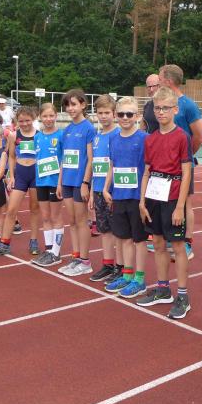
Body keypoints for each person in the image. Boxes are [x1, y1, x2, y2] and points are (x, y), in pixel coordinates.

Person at [136, 87, 192, 319]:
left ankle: (183, 296)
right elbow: (147, 172)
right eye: (157, 108)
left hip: (173, 195)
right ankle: (163, 289)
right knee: (158, 243)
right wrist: (142, 201)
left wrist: (179, 207)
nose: (161, 112)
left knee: (177, 246)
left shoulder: (182, 137)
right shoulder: (150, 139)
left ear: (175, 110)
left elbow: (186, 172)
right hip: (153, 195)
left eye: (165, 108)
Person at [103, 97, 149, 297]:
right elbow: (112, 165)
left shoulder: (144, 138)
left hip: (137, 197)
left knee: (139, 239)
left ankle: (140, 279)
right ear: (116, 115)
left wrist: (144, 198)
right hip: (119, 195)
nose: (125, 117)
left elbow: (148, 168)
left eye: (129, 114)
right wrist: (106, 188)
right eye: (121, 114)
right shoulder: (113, 139)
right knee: (124, 238)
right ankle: (127, 275)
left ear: (137, 116)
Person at [158, 64, 202, 260]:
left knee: (185, 203)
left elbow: (198, 135)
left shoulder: (188, 105)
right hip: (163, 165)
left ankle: (187, 242)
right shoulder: (161, 104)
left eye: (160, 79)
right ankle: (169, 239)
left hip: (183, 165)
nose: (158, 82)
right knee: (165, 201)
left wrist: (186, 155)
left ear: (168, 81)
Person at [0, 107, 42, 257]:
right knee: (11, 209)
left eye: (27, 120)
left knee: (34, 208)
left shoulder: (39, 135)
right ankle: (4, 243)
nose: (24, 124)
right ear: (16, 121)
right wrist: (12, 176)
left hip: (35, 174)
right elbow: (11, 156)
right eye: (21, 121)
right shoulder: (13, 135)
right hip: (20, 175)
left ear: (33, 119)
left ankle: (33, 241)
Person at [56, 89, 95, 277]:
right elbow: (64, 159)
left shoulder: (89, 128)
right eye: (67, 105)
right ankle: (76, 256)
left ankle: (85, 261)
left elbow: (91, 158)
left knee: (81, 221)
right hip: (67, 182)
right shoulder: (67, 130)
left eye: (74, 104)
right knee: (71, 221)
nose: (70, 108)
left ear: (83, 105)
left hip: (80, 182)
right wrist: (59, 183)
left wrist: (86, 182)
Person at [88, 95, 122, 282]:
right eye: (100, 113)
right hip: (98, 189)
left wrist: (109, 189)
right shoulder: (97, 137)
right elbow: (95, 166)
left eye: (107, 112)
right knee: (104, 230)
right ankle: (108, 264)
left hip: (114, 192)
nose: (103, 116)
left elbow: (115, 164)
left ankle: (121, 267)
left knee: (118, 231)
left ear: (114, 113)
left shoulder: (118, 135)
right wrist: (92, 191)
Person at [32, 103, 66, 267]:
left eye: (51, 115)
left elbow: (64, 160)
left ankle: (56, 253)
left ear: (56, 116)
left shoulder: (61, 135)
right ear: (40, 117)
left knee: (55, 217)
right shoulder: (37, 137)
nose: (48, 119)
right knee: (45, 217)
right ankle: (49, 249)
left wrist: (60, 183)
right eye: (45, 116)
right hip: (41, 182)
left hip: (55, 182)